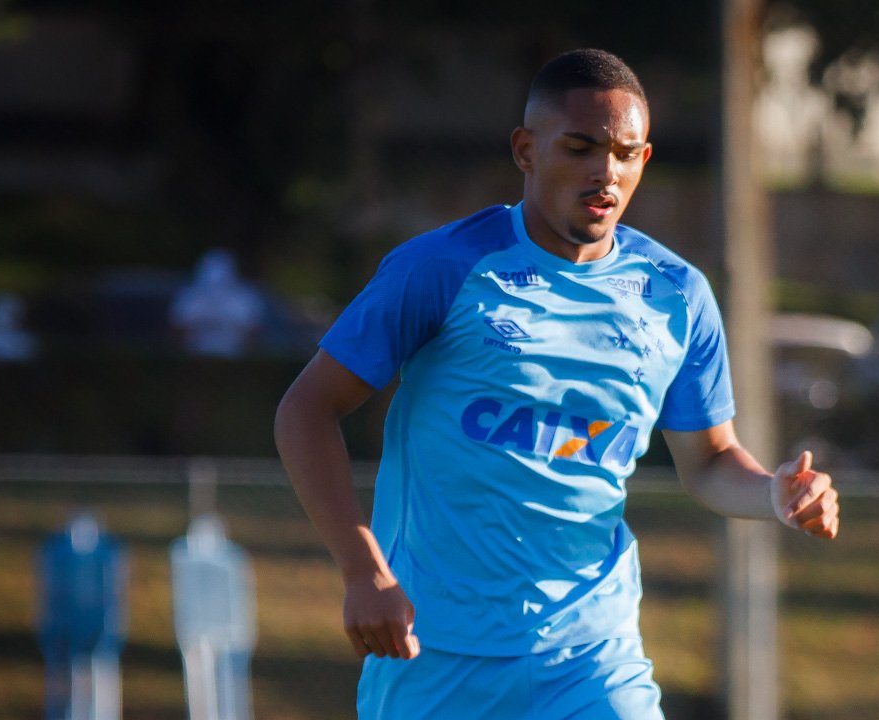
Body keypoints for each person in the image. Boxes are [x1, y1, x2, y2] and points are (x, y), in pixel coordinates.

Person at [274, 48, 840, 719]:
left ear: (644, 160)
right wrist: (363, 569)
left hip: (594, 658)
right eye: (580, 148)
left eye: (626, 153)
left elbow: (712, 461)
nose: (606, 171)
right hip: (435, 656)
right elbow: (307, 410)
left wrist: (774, 494)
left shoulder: (677, 295)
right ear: (526, 149)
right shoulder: (443, 268)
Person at [169, 248, 265, 357]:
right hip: (197, 360)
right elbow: (177, 329)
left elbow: (254, 331)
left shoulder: (244, 298)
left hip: (233, 359)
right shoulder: (190, 296)